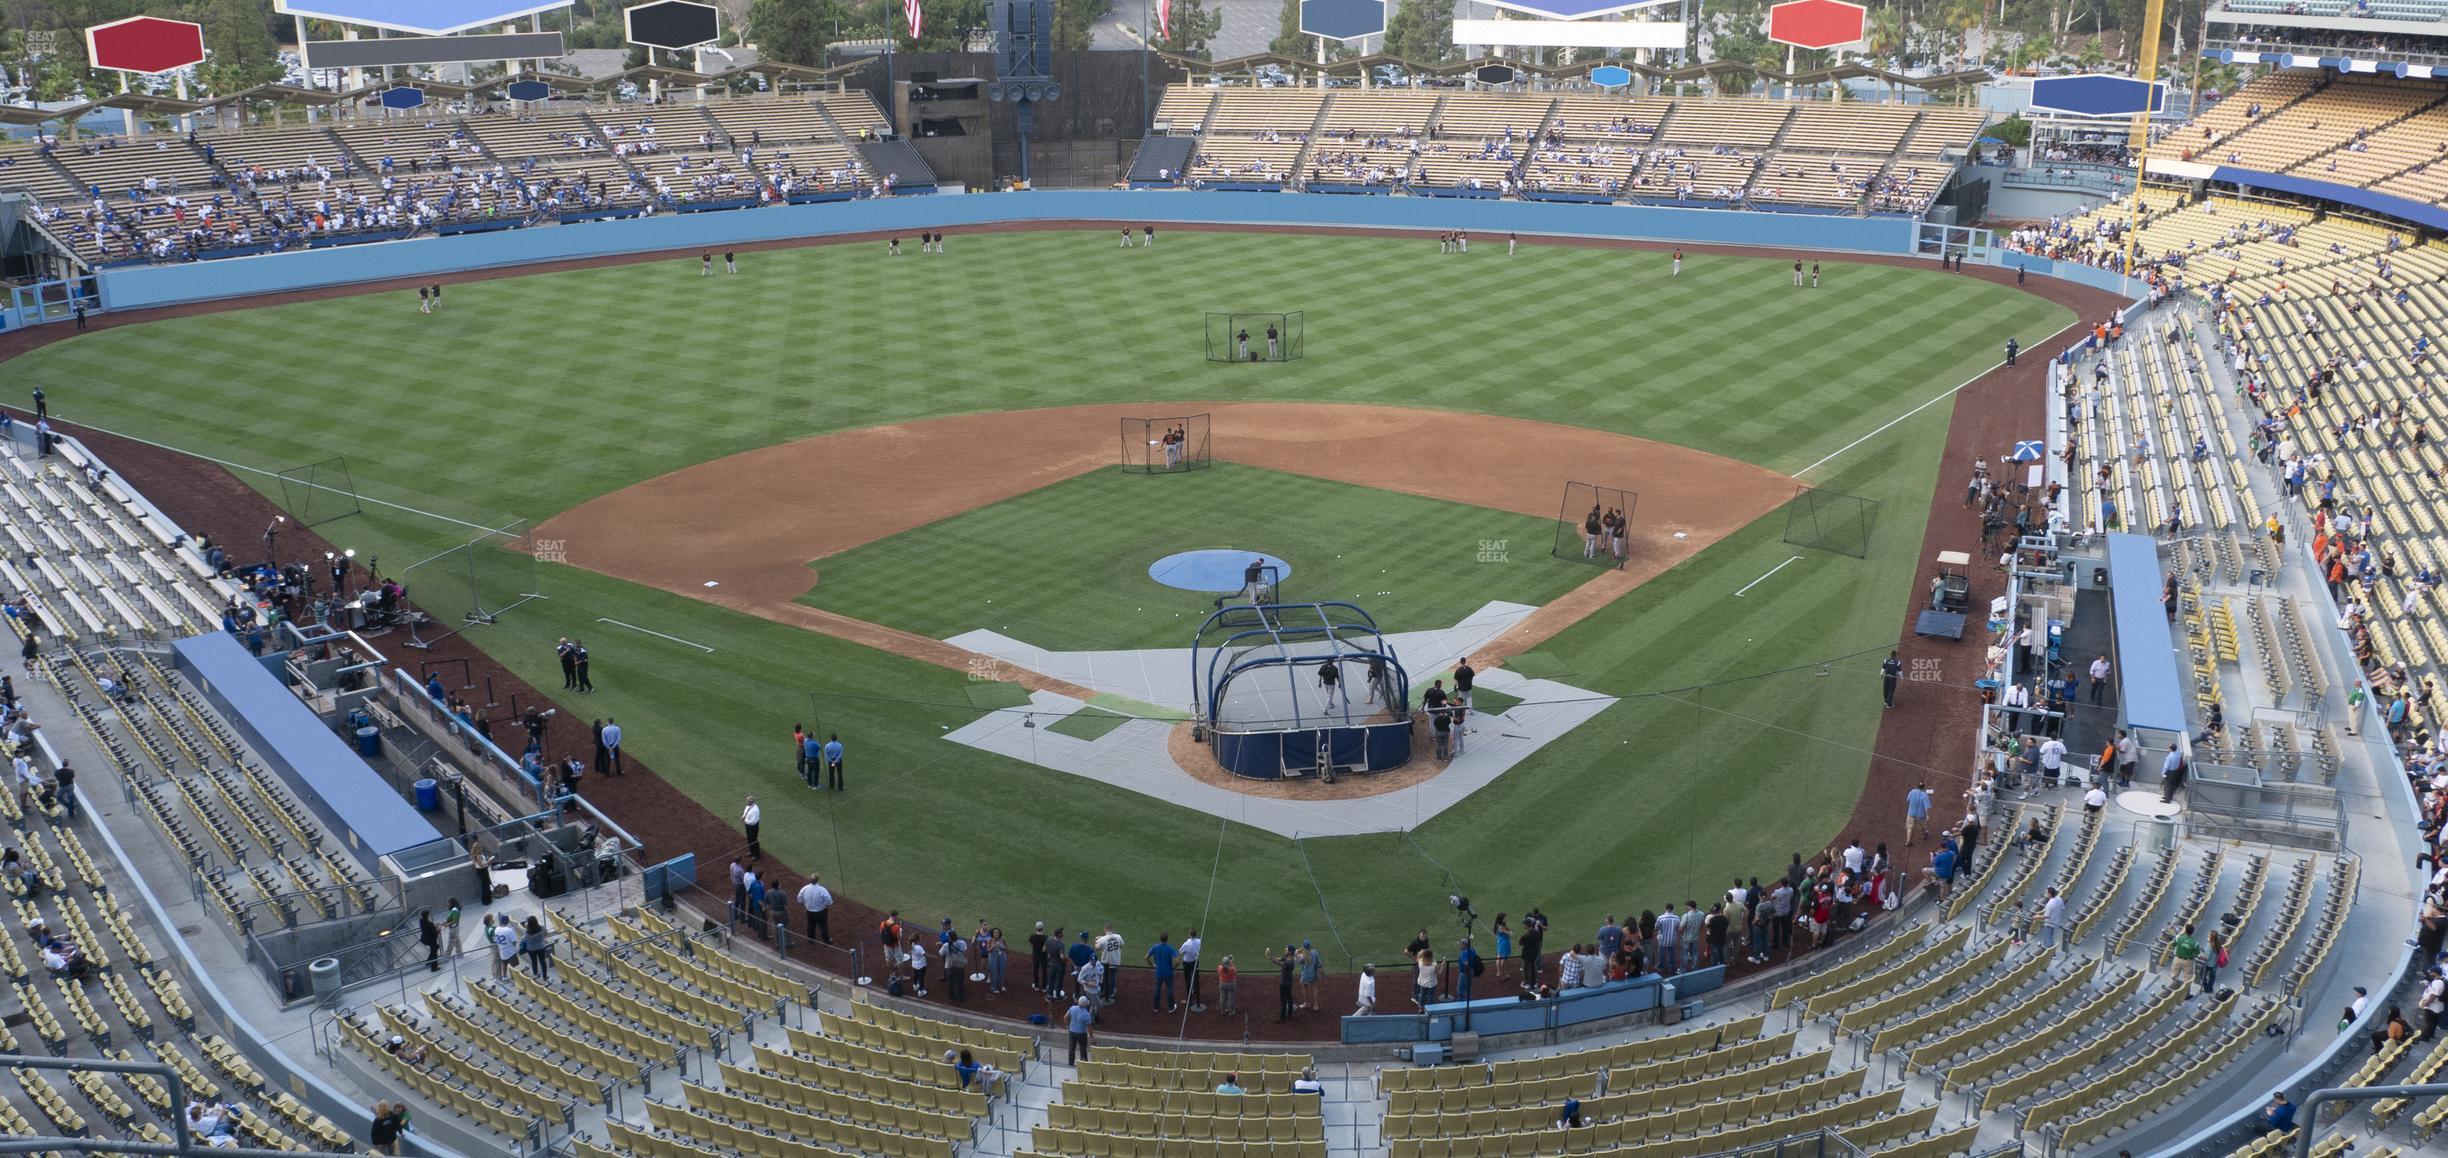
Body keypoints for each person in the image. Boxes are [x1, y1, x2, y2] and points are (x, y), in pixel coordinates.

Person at [1147, 932, 1178, 1013]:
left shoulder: (1155, 947)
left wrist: (1152, 965)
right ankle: (1171, 1008)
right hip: (1168, 972)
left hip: (1158, 972)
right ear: (1167, 939)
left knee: (1157, 989)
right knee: (1169, 989)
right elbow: (1178, 961)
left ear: (1160, 939)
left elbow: (1146, 957)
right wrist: (1173, 967)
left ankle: (1156, 1007)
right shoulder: (1170, 948)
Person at [798, 875, 833, 944]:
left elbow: (799, 898)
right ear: (817, 880)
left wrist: (804, 902)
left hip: (809, 911)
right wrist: (825, 904)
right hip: (821, 911)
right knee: (823, 925)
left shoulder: (805, 888)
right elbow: (829, 900)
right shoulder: (821, 889)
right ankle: (826, 940)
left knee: (810, 925)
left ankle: (811, 939)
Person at [1065, 996, 1094, 1063]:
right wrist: (1092, 1037)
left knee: (1071, 1047)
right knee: (1083, 1048)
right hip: (1082, 1034)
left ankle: (1071, 1062)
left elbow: (1065, 1017)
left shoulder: (1072, 1008)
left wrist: (1067, 1026)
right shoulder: (1087, 1015)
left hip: (1072, 1031)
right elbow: (1089, 1028)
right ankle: (1083, 1063)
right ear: (1086, 1004)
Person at [741, 795, 761, 860]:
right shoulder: (748, 806)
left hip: (753, 827)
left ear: (751, 802)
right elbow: (745, 812)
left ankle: (757, 855)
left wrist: (745, 820)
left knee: (754, 840)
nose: (746, 802)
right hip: (748, 826)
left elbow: (753, 821)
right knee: (749, 839)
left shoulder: (755, 810)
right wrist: (743, 816)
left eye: (747, 801)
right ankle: (752, 852)